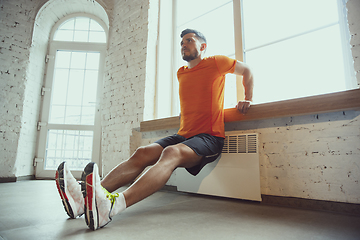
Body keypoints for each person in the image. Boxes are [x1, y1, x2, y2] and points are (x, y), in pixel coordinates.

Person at [55, 29, 254, 230]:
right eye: (182, 42)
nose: (183, 44)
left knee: (171, 152)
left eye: (189, 40)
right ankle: (82, 200)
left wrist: (248, 97)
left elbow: (247, 70)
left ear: (202, 46)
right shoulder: (181, 73)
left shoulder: (216, 62)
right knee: (143, 153)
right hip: (184, 135)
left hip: (209, 138)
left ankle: (112, 207)